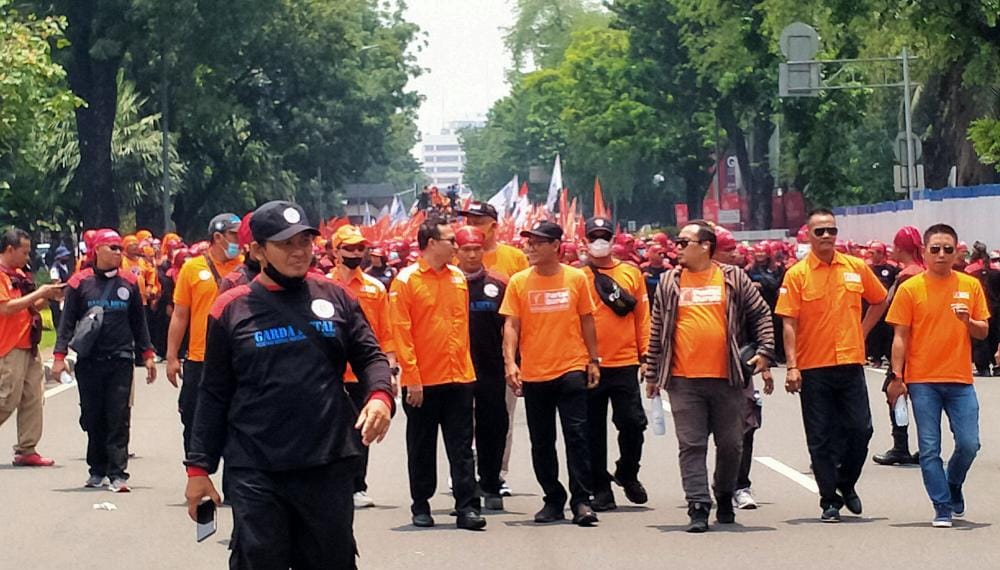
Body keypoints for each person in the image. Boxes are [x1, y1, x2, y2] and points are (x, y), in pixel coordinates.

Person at [184, 200, 393, 568]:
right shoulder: (230, 308)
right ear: (258, 250)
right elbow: (213, 393)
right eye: (286, 244)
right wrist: (199, 469)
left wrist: (380, 397)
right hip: (256, 467)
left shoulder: (336, 297)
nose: (299, 253)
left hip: (327, 462)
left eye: (305, 242)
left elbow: (371, 357)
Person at [645, 221, 774, 532]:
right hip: (683, 381)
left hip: (728, 378)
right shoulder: (668, 282)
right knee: (691, 444)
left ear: (705, 246)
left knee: (731, 445)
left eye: (684, 241)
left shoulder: (733, 278)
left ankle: (725, 494)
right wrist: (652, 372)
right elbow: (657, 328)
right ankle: (698, 506)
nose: (677, 247)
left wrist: (766, 351)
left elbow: (761, 314)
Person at [776, 208, 888, 523]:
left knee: (861, 429)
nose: (827, 236)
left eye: (831, 230)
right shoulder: (797, 275)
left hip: (850, 361)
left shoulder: (855, 268)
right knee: (821, 436)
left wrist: (862, 332)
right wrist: (792, 366)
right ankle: (829, 500)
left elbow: (879, 299)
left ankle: (846, 482)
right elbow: (789, 323)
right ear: (809, 236)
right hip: (813, 367)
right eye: (820, 231)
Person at [884, 223, 989, 528]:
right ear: (925, 253)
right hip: (923, 380)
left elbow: (983, 331)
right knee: (929, 447)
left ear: (957, 252)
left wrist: (967, 320)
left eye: (948, 249)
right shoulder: (910, 288)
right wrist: (897, 377)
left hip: (959, 379)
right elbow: (900, 336)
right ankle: (942, 505)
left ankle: (953, 483)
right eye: (935, 249)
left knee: (970, 444)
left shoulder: (969, 286)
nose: (941, 255)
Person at [500, 220, 601, 527]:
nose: (529, 247)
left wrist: (593, 359)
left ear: (556, 246)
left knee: (577, 437)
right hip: (534, 372)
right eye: (528, 242)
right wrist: (510, 363)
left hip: (571, 368)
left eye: (537, 242)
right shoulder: (518, 282)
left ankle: (581, 501)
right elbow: (511, 325)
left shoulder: (576, 278)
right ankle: (552, 499)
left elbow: (587, 320)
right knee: (542, 441)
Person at [390, 217, 486, 531]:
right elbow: (402, 333)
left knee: (462, 446)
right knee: (421, 446)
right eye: (450, 240)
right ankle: (421, 504)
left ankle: (467, 507)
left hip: (459, 377)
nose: (456, 246)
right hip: (424, 381)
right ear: (431, 243)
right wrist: (412, 378)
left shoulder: (458, 278)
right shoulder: (406, 281)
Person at [51, 229, 156, 492]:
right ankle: (96, 469)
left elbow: (138, 323)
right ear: (97, 250)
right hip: (89, 361)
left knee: (119, 415)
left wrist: (148, 354)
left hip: (121, 359)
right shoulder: (79, 283)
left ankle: (118, 473)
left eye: (120, 247)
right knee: (93, 416)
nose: (119, 252)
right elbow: (66, 324)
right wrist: (59, 357)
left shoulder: (129, 283)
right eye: (113, 248)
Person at [458, 200, 529, 496]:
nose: (473, 225)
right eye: (468, 220)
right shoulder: (452, 265)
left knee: (500, 418)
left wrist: (515, 358)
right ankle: (464, 471)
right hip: (460, 359)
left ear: (494, 225)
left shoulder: (513, 260)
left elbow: (520, 308)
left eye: (478, 220)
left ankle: (496, 472)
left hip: (497, 355)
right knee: (462, 420)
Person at [580, 216, 651, 512]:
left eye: (604, 236)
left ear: (613, 239)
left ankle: (627, 472)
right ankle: (600, 488)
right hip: (589, 364)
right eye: (594, 236)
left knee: (633, 423)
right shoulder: (577, 276)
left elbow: (642, 316)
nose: (599, 241)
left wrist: (646, 355)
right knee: (592, 430)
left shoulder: (631, 273)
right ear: (584, 240)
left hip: (625, 362)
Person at [327, 225, 397, 509]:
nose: (356, 253)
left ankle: (358, 485)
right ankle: (331, 484)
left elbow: (386, 332)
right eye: (349, 248)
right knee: (329, 429)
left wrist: (390, 369)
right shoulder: (321, 285)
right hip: (329, 370)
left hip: (361, 372)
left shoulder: (374, 288)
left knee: (361, 428)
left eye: (360, 248)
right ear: (336, 251)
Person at [166, 213, 243, 453]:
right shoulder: (192, 268)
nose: (238, 241)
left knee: (239, 420)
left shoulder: (245, 267)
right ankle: (197, 472)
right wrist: (171, 356)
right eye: (234, 235)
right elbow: (180, 315)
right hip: (200, 359)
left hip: (238, 358)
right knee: (193, 418)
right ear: (218, 237)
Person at [454, 225, 510, 511]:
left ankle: (490, 482)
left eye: (477, 249)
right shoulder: (448, 283)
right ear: (457, 252)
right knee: (460, 431)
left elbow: (512, 328)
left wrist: (514, 363)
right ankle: (465, 490)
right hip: (455, 369)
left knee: (494, 425)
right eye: (467, 249)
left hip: (491, 368)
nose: (473, 255)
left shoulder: (499, 284)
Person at [0, 229, 64, 466]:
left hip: (29, 342)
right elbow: (5, 308)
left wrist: (48, 296)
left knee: (33, 398)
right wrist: (39, 292)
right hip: (8, 344)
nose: (28, 257)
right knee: (6, 398)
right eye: (24, 252)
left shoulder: (19, 274)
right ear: (10, 249)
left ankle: (27, 449)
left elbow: (30, 305)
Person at [870, 227, 925, 466]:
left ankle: (900, 445)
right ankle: (927, 446)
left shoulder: (906, 276)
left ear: (900, 248)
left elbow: (893, 309)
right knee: (924, 398)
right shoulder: (923, 271)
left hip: (907, 343)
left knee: (894, 391)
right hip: (924, 343)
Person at [47, 245, 72, 328]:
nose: (67, 257)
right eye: (65, 255)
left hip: (65, 295)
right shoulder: (55, 269)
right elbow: (56, 284)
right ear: (59, 257)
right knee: (59, 322)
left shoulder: (65, 267)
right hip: (59, 297)